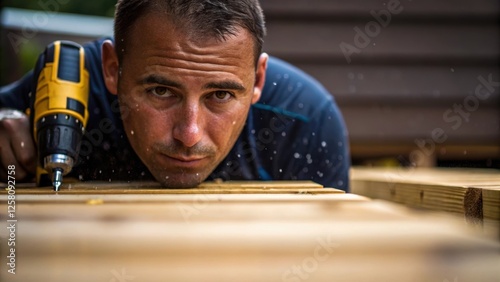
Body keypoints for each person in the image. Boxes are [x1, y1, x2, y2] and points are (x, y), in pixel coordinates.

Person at [0, 0, 350, 191]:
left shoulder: (304, 121)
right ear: (112, 68)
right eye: (161, 91)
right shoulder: (67, 88)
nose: (189, 134)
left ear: (258, 79)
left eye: (221, 95)